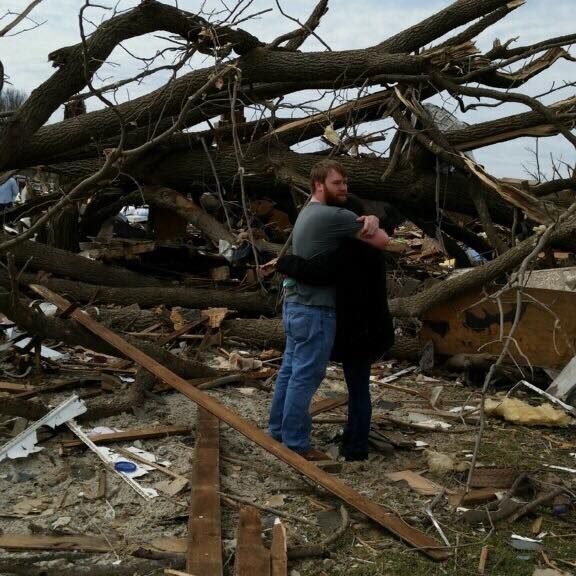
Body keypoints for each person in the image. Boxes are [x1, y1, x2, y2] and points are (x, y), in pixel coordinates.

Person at [266, 160, 390, 460]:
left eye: (346, 182)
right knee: (305, 377)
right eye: (337, 183)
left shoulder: (305, 213)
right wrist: (371, 222)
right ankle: (295, 443)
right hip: (316, 310)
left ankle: (277, 431)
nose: (343, 187)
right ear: (318, 184)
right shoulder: (335, 217)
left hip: (295, 304)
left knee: (289, 370)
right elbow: (384, 241)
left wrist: (370, 217)